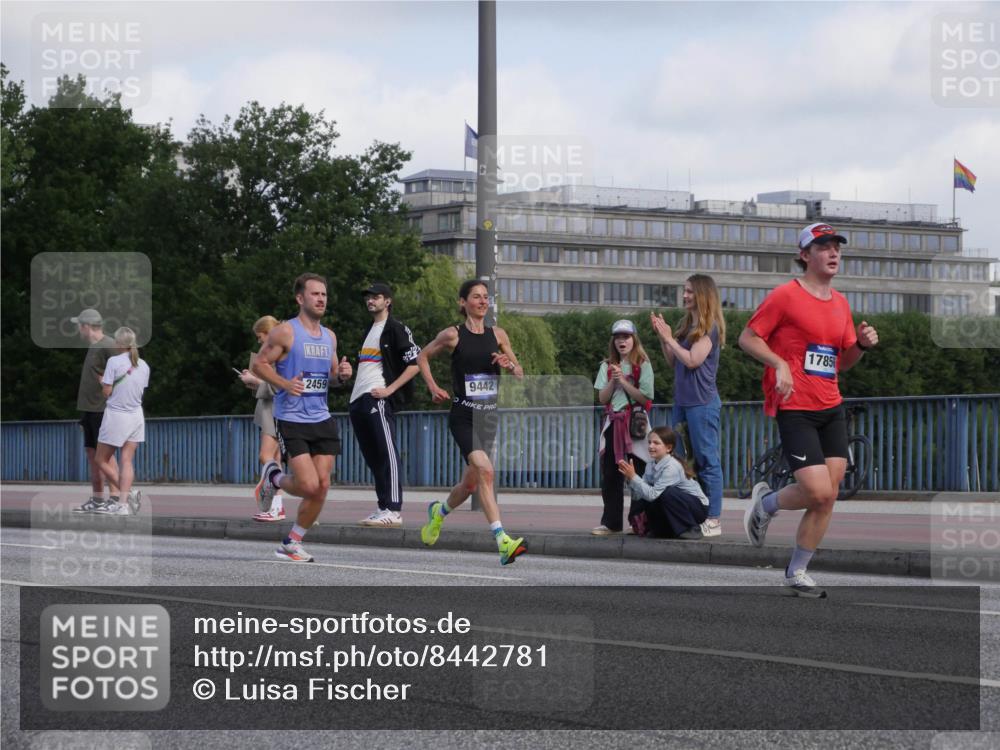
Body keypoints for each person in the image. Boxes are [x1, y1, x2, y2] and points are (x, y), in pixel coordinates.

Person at [739, 222, 879, 598]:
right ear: (805, 255)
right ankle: (766, 504)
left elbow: (841, 362)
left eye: (837, 247)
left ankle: (797, 571)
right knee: (817, 491)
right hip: (795, 407)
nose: (833, 253)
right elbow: (748, 337)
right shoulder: (785, 296)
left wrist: (861, 346)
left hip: (831, 405)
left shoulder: (841, 304)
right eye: (824, 247)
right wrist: (779, 364)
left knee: (828, 495)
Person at [415, 279, 527, 566]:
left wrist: (509, 364)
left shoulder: (498, 334)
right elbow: (422, 357)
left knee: (470, 485)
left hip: (487, 416)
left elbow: (519, 373)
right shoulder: (453, 335)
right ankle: (503, 541)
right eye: (476, 297)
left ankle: (438, 513)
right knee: (486, 472)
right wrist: (432, 387)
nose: (482, 301)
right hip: (463, 415)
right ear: (462, 302)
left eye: (485, 297)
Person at [252, 273, 353, 562]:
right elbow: (260, 364)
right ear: (300, 298)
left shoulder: (329, 336)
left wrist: (342, 376)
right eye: (315, 294)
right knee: (308, 485)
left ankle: (291, 542)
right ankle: (273, 476)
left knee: (322, 485)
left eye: (324, 294)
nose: (321, 299)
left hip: (321, 417)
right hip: (292, 417)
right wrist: (284, 384)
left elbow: (332, 377)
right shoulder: (286, 332)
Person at [651, 274, 725, 537]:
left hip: (702, 404)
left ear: (703, 295)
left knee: (706, 459)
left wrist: (670, 339)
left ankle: (714, 519)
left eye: (690, 292)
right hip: (682, 403)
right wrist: (664, 337)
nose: (685, 296)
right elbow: (675, 362)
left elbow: (693, 360)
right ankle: (691, 515)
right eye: (685, 291)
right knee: (681, 461)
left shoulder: (710, 327)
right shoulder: (687, 325)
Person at [349, 282, 421, 527]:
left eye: (376, 297)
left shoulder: (396, 329)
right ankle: (382, 507)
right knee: (373, 456)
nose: (370, 301)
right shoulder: (369, 329)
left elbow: (416, 363)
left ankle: (394, 509)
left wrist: (390, 390)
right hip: (358, 399)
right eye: (368, 297)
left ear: (387, 301)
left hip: (377, 397)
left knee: (386, 451)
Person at [592, 319, 654, 536]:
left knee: (638, 471)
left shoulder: (643, 364)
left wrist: (625, 382)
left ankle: (638, 521)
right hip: (613, 423)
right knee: (610, 474)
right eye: (618, 337)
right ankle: (611, 522)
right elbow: (602, 398)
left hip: (635, 424)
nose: (622, 341)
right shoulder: (606, 366)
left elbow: (646, 397)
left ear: (634, 339)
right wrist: (613, 380)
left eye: (626, 336)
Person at [92, 327, 149, 515]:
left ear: (118, 344)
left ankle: (128, 495)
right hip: (136, 416)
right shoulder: (144, 365)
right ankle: (123, 505)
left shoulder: (114, 362)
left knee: (100, 459)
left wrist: (102, 382)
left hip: (116, 416)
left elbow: (107, 392)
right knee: (127, 460)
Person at [618, 426, 708, 540]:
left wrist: (634, 477)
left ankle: (691, 528)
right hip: (677, 504)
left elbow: (652, 495)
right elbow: (640, 495)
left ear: (668, 448)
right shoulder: (650, 465)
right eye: (649, 442)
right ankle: (661, 530)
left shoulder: (672, 466)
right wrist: (630, 479)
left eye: (656, 443)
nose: (651, 446)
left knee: (666, 493)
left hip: (698, 509)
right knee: (647, 491)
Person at [238, 315, 285, 522]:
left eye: (260, 337)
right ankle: (276, 507)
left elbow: (277, 386)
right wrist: (255, 379)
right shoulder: (280, 350)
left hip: (272, 410)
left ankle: (269, 498)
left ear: (268, 333)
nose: (258, 341)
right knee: (276, 459)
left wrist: (254, 382)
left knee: (266, 457)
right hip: (274, 410)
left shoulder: (276, 353)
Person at [72, 309, 119, 513]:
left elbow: (125, 371)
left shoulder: (108, 345)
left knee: (106, 456)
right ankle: (98, 500)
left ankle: (117, 498)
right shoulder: (94, 347)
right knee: (92, 455)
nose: (78, 329)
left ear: (86, 326)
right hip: (89, 410)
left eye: (79, 325)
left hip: (102, 409)